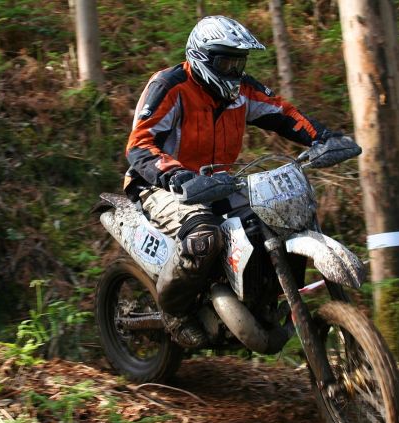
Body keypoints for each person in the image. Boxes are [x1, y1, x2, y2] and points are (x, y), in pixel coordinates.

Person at [124, 15, 342, 348]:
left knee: (276, 218)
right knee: (204, 236)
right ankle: (175, 312)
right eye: (226, 61)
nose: (234, 71)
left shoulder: (242, 90)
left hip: (218, 183)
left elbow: (283, 114)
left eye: (239, 62)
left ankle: (255, 297)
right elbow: (140, 144)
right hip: (159, 185)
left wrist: (324, 138)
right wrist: (176, 175)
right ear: (202, 57)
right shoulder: (171, 86)